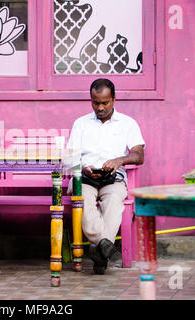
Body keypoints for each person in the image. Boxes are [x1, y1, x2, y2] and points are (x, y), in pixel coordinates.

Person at [66, 78, 145, 274]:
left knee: (113, 203)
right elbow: (69, 158)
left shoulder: (128, 123)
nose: (100, 107)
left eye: (105, 102)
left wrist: (119, 161)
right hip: (85, 177)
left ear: (114, 99)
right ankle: (106, 248)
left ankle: (99, 252)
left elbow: (139, 155)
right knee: (81, 200)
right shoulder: (81, 124)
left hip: (113, 177)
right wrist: (84, 168)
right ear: (91, 100)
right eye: (95, 102)